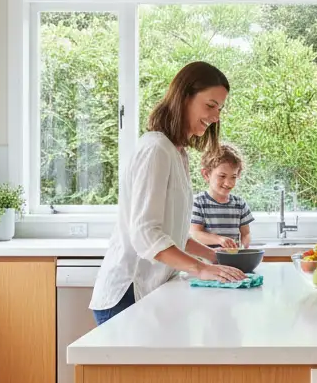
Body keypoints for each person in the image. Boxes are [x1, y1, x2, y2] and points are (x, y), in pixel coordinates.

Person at [89, 61, 245, 325]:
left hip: (147, 290)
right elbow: (146, 234)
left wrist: (216, 257)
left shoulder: (176, 152)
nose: (216, 116)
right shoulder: (156, 149)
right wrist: (201, 268)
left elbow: (170, 234)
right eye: (210, 105)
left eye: (220, 108)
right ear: (184, 97)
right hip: (128, 293)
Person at [190, 143, 255, 251]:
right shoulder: (199, 202)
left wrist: (242, 248)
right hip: (208, 262)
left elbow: (246, 234)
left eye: (233, 177)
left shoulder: (240, 204)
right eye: (222, 176)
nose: (228, 183)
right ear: (206, 174)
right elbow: (195, 234)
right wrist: (219, 240)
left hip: (233, 260)